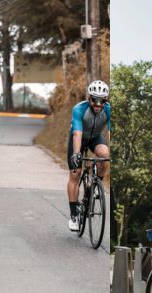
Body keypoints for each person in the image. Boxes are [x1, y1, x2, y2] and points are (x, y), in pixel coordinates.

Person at [67, 80, 111, 231]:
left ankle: (96, 184)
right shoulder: (79, 109)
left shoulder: (108, 110)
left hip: (95, 138)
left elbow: (111, 132)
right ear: (89, 98)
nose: (98, 104)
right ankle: (73, 215)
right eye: (95, 100)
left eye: (102, 100)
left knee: (105, 156)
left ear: (106, 100)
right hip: (78, 138)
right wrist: (77, 154)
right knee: (75, 173)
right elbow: (77, 134)